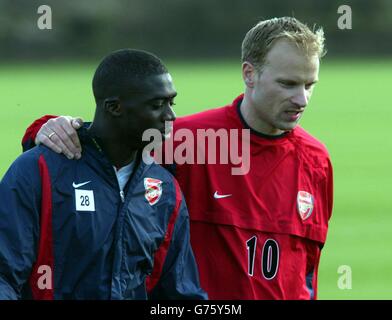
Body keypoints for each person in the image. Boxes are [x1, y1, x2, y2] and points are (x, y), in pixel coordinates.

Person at [22, 17, 334, 299]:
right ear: (249, 74)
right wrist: (45, 128)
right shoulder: (187, 140)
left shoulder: (316, 161)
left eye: (310, 85)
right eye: (288, 84)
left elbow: (308, 269)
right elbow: (102, 148)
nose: (301, 99)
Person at [0, 49, 207, 300]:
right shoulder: (38, 170)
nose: (170, 116)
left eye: (171, 103)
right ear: (114, 107)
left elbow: (179, 292)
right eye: (157, 105)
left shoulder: (165, 190)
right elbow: (5, 276)